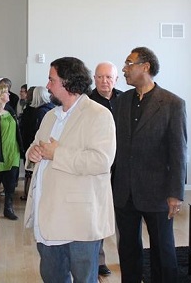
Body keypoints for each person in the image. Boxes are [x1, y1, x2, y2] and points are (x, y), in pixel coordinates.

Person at [24, 57, 116, 283]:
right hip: (47, 217)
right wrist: (32, 154)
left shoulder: (99, 115)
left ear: (67, 82)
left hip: (79, 220)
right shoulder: (50, 116)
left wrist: (57, 153)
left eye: (51, 80)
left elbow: (101, 161)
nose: (47, 86)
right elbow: (35, 147)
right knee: (52, 276)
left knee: (84, 279)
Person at [112, 47, 187, 283]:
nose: (124, 69)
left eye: (129, 63)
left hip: (158, 191)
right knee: (128, 248)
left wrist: (176, 193)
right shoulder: (121, 101)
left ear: (146, 67)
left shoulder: (172, 103)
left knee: (163, 250)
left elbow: (178, 151)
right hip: (124, 190)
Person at [89, 61, 121, 277]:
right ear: (94, 79)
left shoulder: (126, 100)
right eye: (100, 77)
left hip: (122, 168)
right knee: (97, 215)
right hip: (97, 168)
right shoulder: (87, 102)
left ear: (115, 79)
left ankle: (128, 258)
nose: (104, 81)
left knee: (123, 216)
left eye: (108, 77)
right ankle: (98, 260)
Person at [0, 84, 24, 220]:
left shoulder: (10, 110)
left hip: (13, 151)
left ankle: (8, 208)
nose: (9, 95)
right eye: (6, 93)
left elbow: (17, 131)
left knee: (11, 181)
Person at [19, 86, 53, 201]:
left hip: (37, 149)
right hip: (41, 149)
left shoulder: (39, 112)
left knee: (32, 173)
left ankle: (29, 194)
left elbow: (33, 131)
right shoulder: (51, 110)